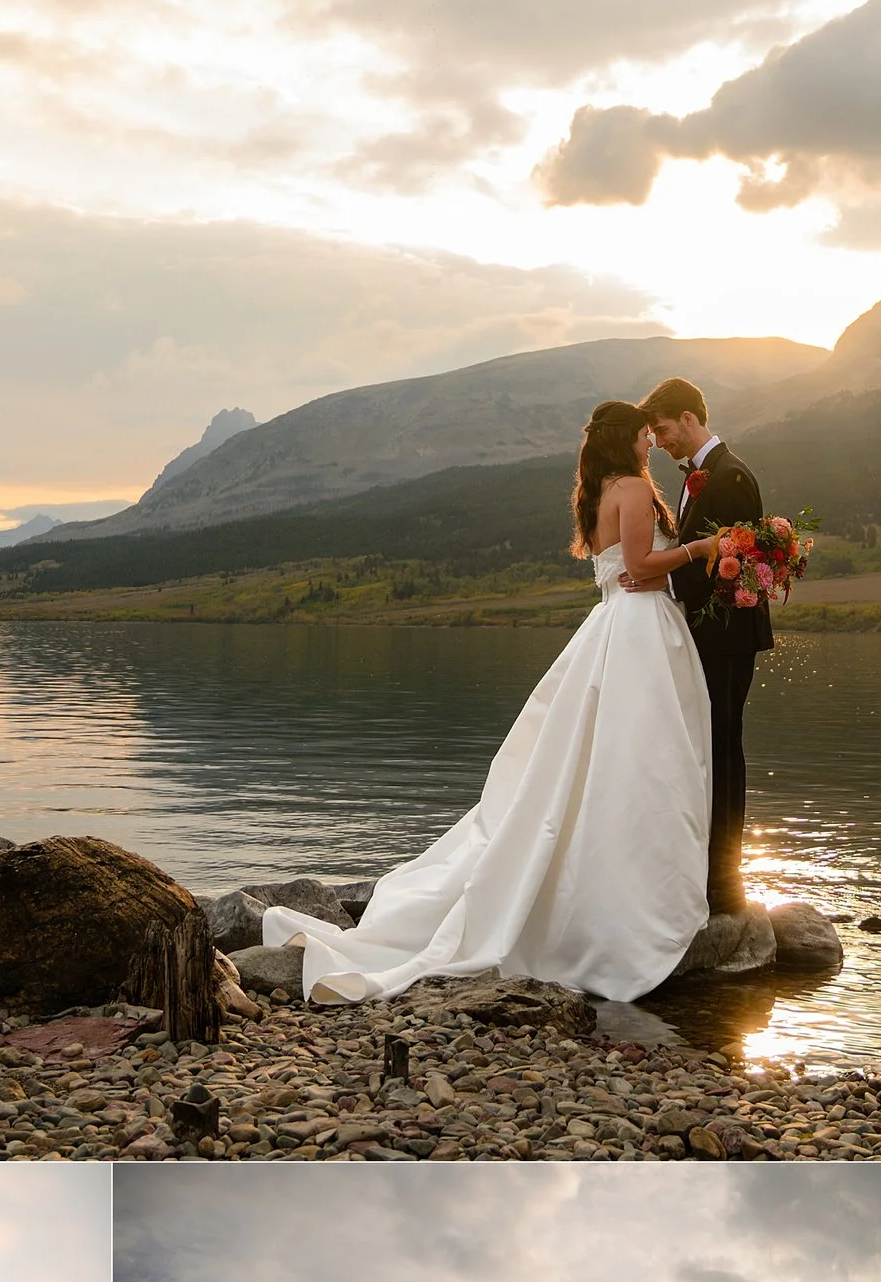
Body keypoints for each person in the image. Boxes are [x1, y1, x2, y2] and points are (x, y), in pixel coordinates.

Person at [262, 400, 723, 1004]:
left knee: (601, 764)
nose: (649, 443)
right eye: (644, 434)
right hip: (638, 628)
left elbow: (621, 568)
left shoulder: (598, 491)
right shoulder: (634, 488)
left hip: (616, 621)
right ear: (626, 440)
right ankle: (629, 905)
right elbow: (639, 564)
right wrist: (701, 549)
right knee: (642, 760)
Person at [642, 376, 772, 912]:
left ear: (690, 420)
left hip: (727, 637)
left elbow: (734, 564)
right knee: (706, 748)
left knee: (722, 750)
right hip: (706, 635)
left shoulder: (732, 476)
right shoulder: (700, 476)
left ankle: (727, 882)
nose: (661, 442)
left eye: (665, 430)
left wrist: (663, 586)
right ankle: (707, 872)